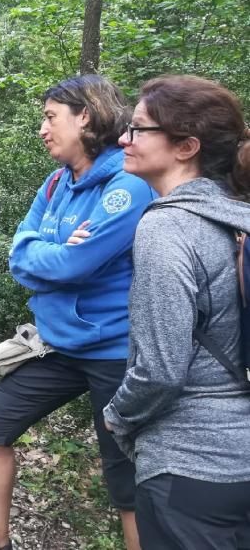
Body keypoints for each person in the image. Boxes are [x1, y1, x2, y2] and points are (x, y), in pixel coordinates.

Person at [0, 75, 153, 550]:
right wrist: (50, 252)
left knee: (125, 478)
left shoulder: (127, 186)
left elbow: (75, 264)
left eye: (51, 117)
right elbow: (20, 253)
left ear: (85, 117)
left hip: (115, 352)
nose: (42, 128)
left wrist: (54, 255)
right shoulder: (57, 182)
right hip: (60, 344)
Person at [103, 75, 250, 550]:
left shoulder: (168, 228)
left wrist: (117, 418)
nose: (124, 139)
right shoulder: (238, 218)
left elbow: (160, 370)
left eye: (139, 129)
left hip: (189, 469)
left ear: (186, 146)